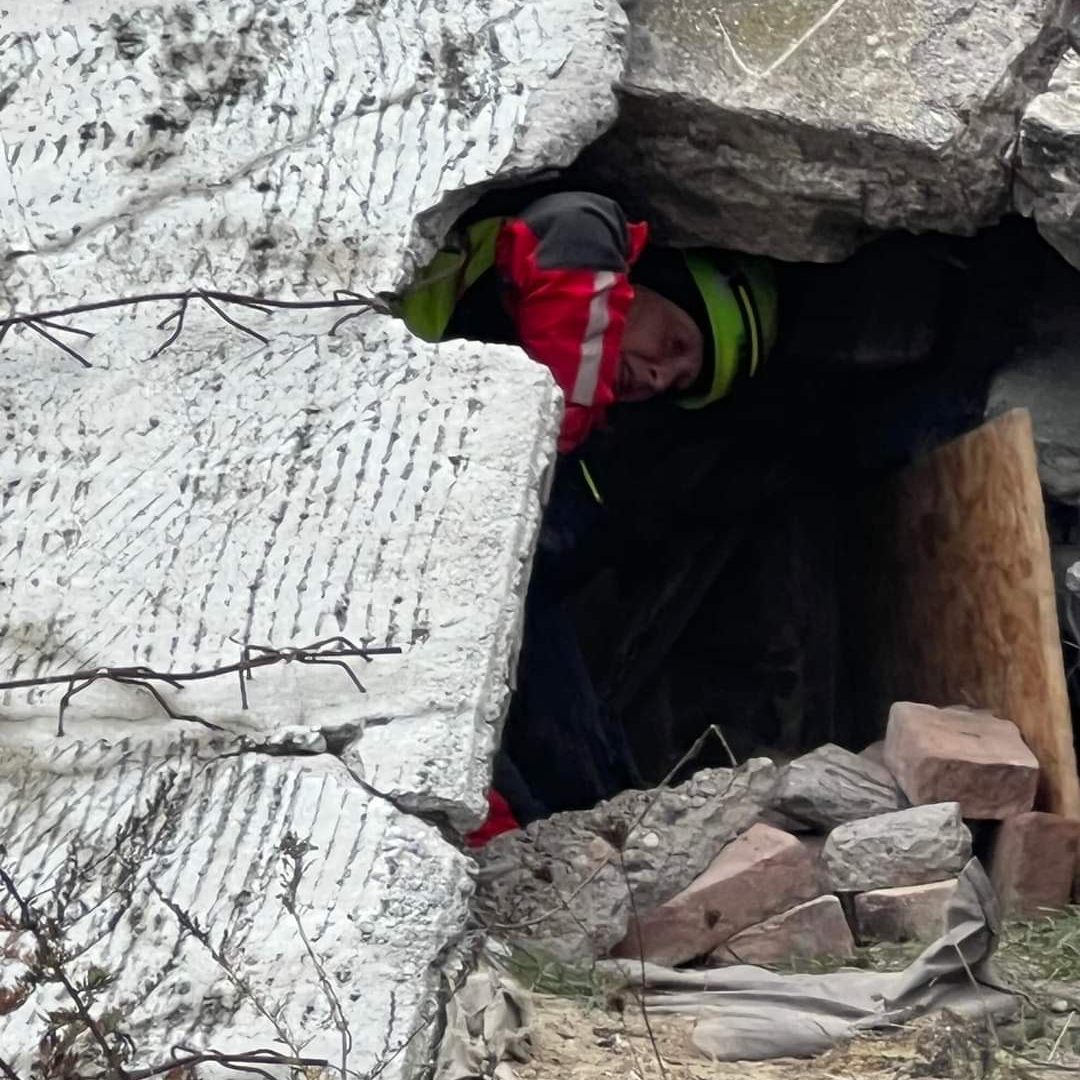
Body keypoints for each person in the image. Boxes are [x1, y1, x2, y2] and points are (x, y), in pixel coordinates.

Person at [394, 190, 780, 841]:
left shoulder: (583, 466)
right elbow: (574, 230)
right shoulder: (567, 239)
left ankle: (583, 836)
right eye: (674, 343)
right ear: (646, 283)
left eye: (676, 383)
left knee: (576, 774)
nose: (658, 377)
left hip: (429, 576)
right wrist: (556, 433)